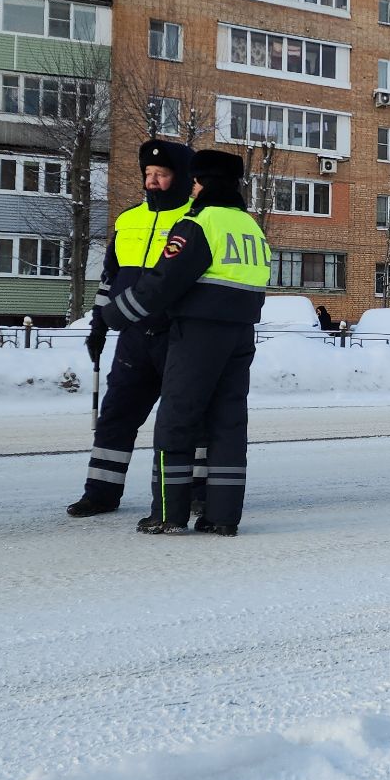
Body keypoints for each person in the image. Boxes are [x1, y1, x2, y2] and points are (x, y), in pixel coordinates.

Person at [103, 149, 269, 536]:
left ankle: (168, 514)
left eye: (195, 182)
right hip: (241, 332)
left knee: (177, 420)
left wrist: (116, 314)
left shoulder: (199, 222)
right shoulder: (250, 226)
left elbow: (165, 281)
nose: (191, 188)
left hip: (197, 333)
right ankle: (222, 516)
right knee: (227, 424)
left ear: (206, 183)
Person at [65, 138, 194, 518]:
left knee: (188, 421)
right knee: (115, 416)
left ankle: (198, 492)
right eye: (149, 174)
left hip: (178, 336)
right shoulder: (128, 219)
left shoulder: (195, 219)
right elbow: (111, 278)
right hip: (134, 339)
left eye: (162, 174)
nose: (152, 181)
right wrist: (99, 324)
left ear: (182, 177)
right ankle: (101, 493)